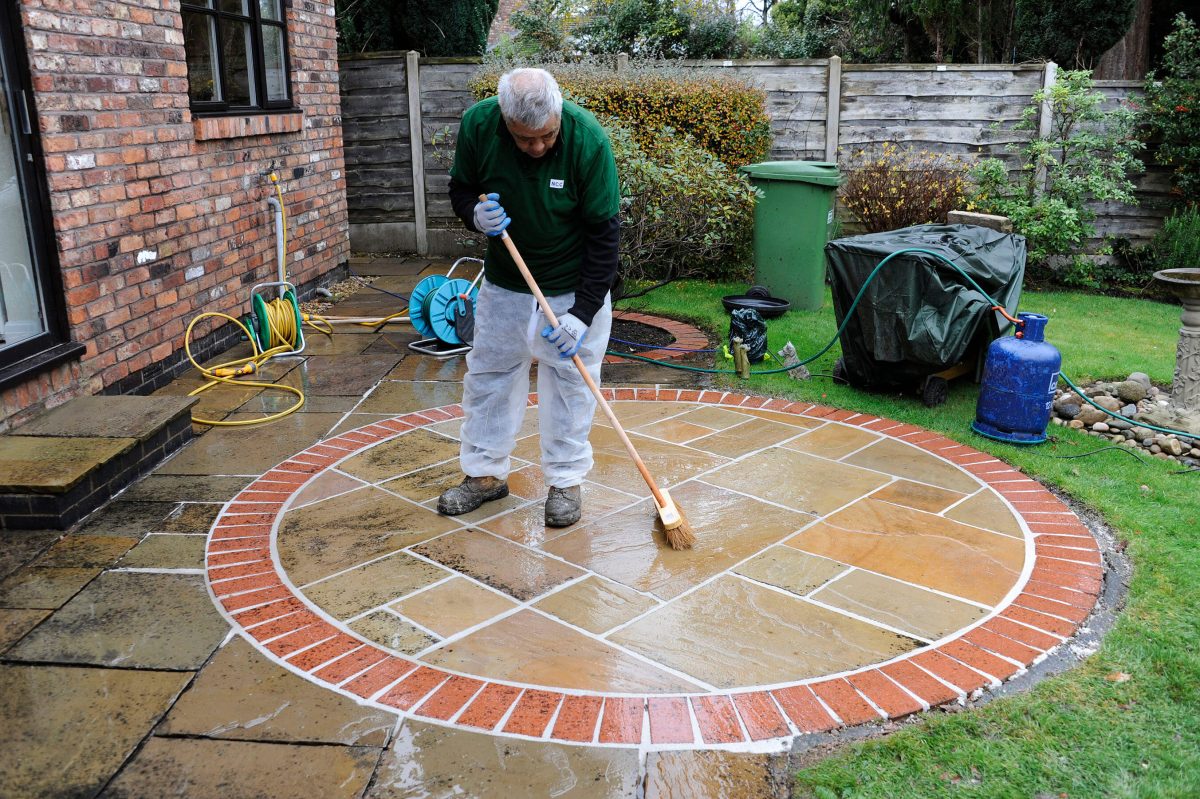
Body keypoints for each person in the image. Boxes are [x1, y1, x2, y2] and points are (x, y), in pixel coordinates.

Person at [437, 68, 620, 527]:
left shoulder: (588, 140)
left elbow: (605, 236)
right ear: (505, 121)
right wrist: (475, 214)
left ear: (558, 115)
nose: (537, 147)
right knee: (490, 376)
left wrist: (582, 314)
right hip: (506, 283)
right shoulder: (479, 125)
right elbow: (461, 189)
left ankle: (565, 482)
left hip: (573, 285)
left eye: (546, 136)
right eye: (524, 139)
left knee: (572, 384)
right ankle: (484, 474)